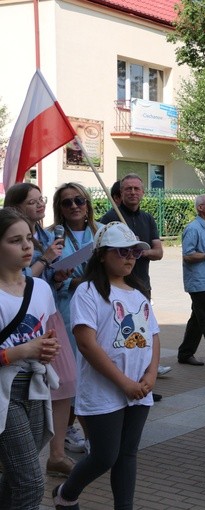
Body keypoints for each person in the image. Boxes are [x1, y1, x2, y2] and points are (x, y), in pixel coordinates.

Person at [51, 222, 160, 510]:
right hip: (105, 391)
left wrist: (150, 374)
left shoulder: (138, 294)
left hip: (139, 389)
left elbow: (154, 336)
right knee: (104, 456)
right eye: (121, 251)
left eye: (135, 253)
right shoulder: (88, 291)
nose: (129, 257)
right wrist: (124, 383)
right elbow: (86, 344)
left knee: (128, 454)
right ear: (101, 255)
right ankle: (66, 494)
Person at [5, 183, 82, 473]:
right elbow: (20, 277)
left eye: (42, 200)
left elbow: (47, 280)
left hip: (47, 314)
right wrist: (46, 259)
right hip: (23, 324)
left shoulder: (46, 235)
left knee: (63, 381)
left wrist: (59, 272)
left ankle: (56, 453)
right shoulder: (14, 238)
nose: (40, 206)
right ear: (15, 206)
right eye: (32, 201)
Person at [0, 208, 61, 509]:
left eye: (28, 238)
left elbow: (46, 335)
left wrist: (48, 349)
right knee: (30, 483)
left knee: (14, 478)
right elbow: (26, 346)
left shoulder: (41, 288)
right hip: (4, 394)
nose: (26, 246)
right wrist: (24, 351)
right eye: (15, 240)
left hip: (36, 387)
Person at [49, 183, 104, 473]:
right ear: (59, 207)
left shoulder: (103, 232)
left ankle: (94, 433)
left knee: (97, 371)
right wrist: (62, 278)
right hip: (68, 313)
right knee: (73, 376)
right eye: (67, 202)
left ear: (87, 203)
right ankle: (72, 432)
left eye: (79, 200)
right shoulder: (50, 236)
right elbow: (46, 279)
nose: (74, 206)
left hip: (102, 311)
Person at [99, 174, 171, 389]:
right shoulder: (109, 219)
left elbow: (158, 252)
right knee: (121, 335)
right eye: (128, 189)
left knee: (144, 336)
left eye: (136, 189)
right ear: (120, 193)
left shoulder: (147, 218)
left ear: (142, 192)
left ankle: (145, 382)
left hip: (141, 287)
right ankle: (124, 381)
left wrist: (139, 251)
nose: (132, 192)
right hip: (116, 287)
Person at [178, 194, 205, 370]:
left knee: (197, 318)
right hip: (199, 282)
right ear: (200, 208)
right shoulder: (193, 229)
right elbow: (188, 255)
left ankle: (185, 353)